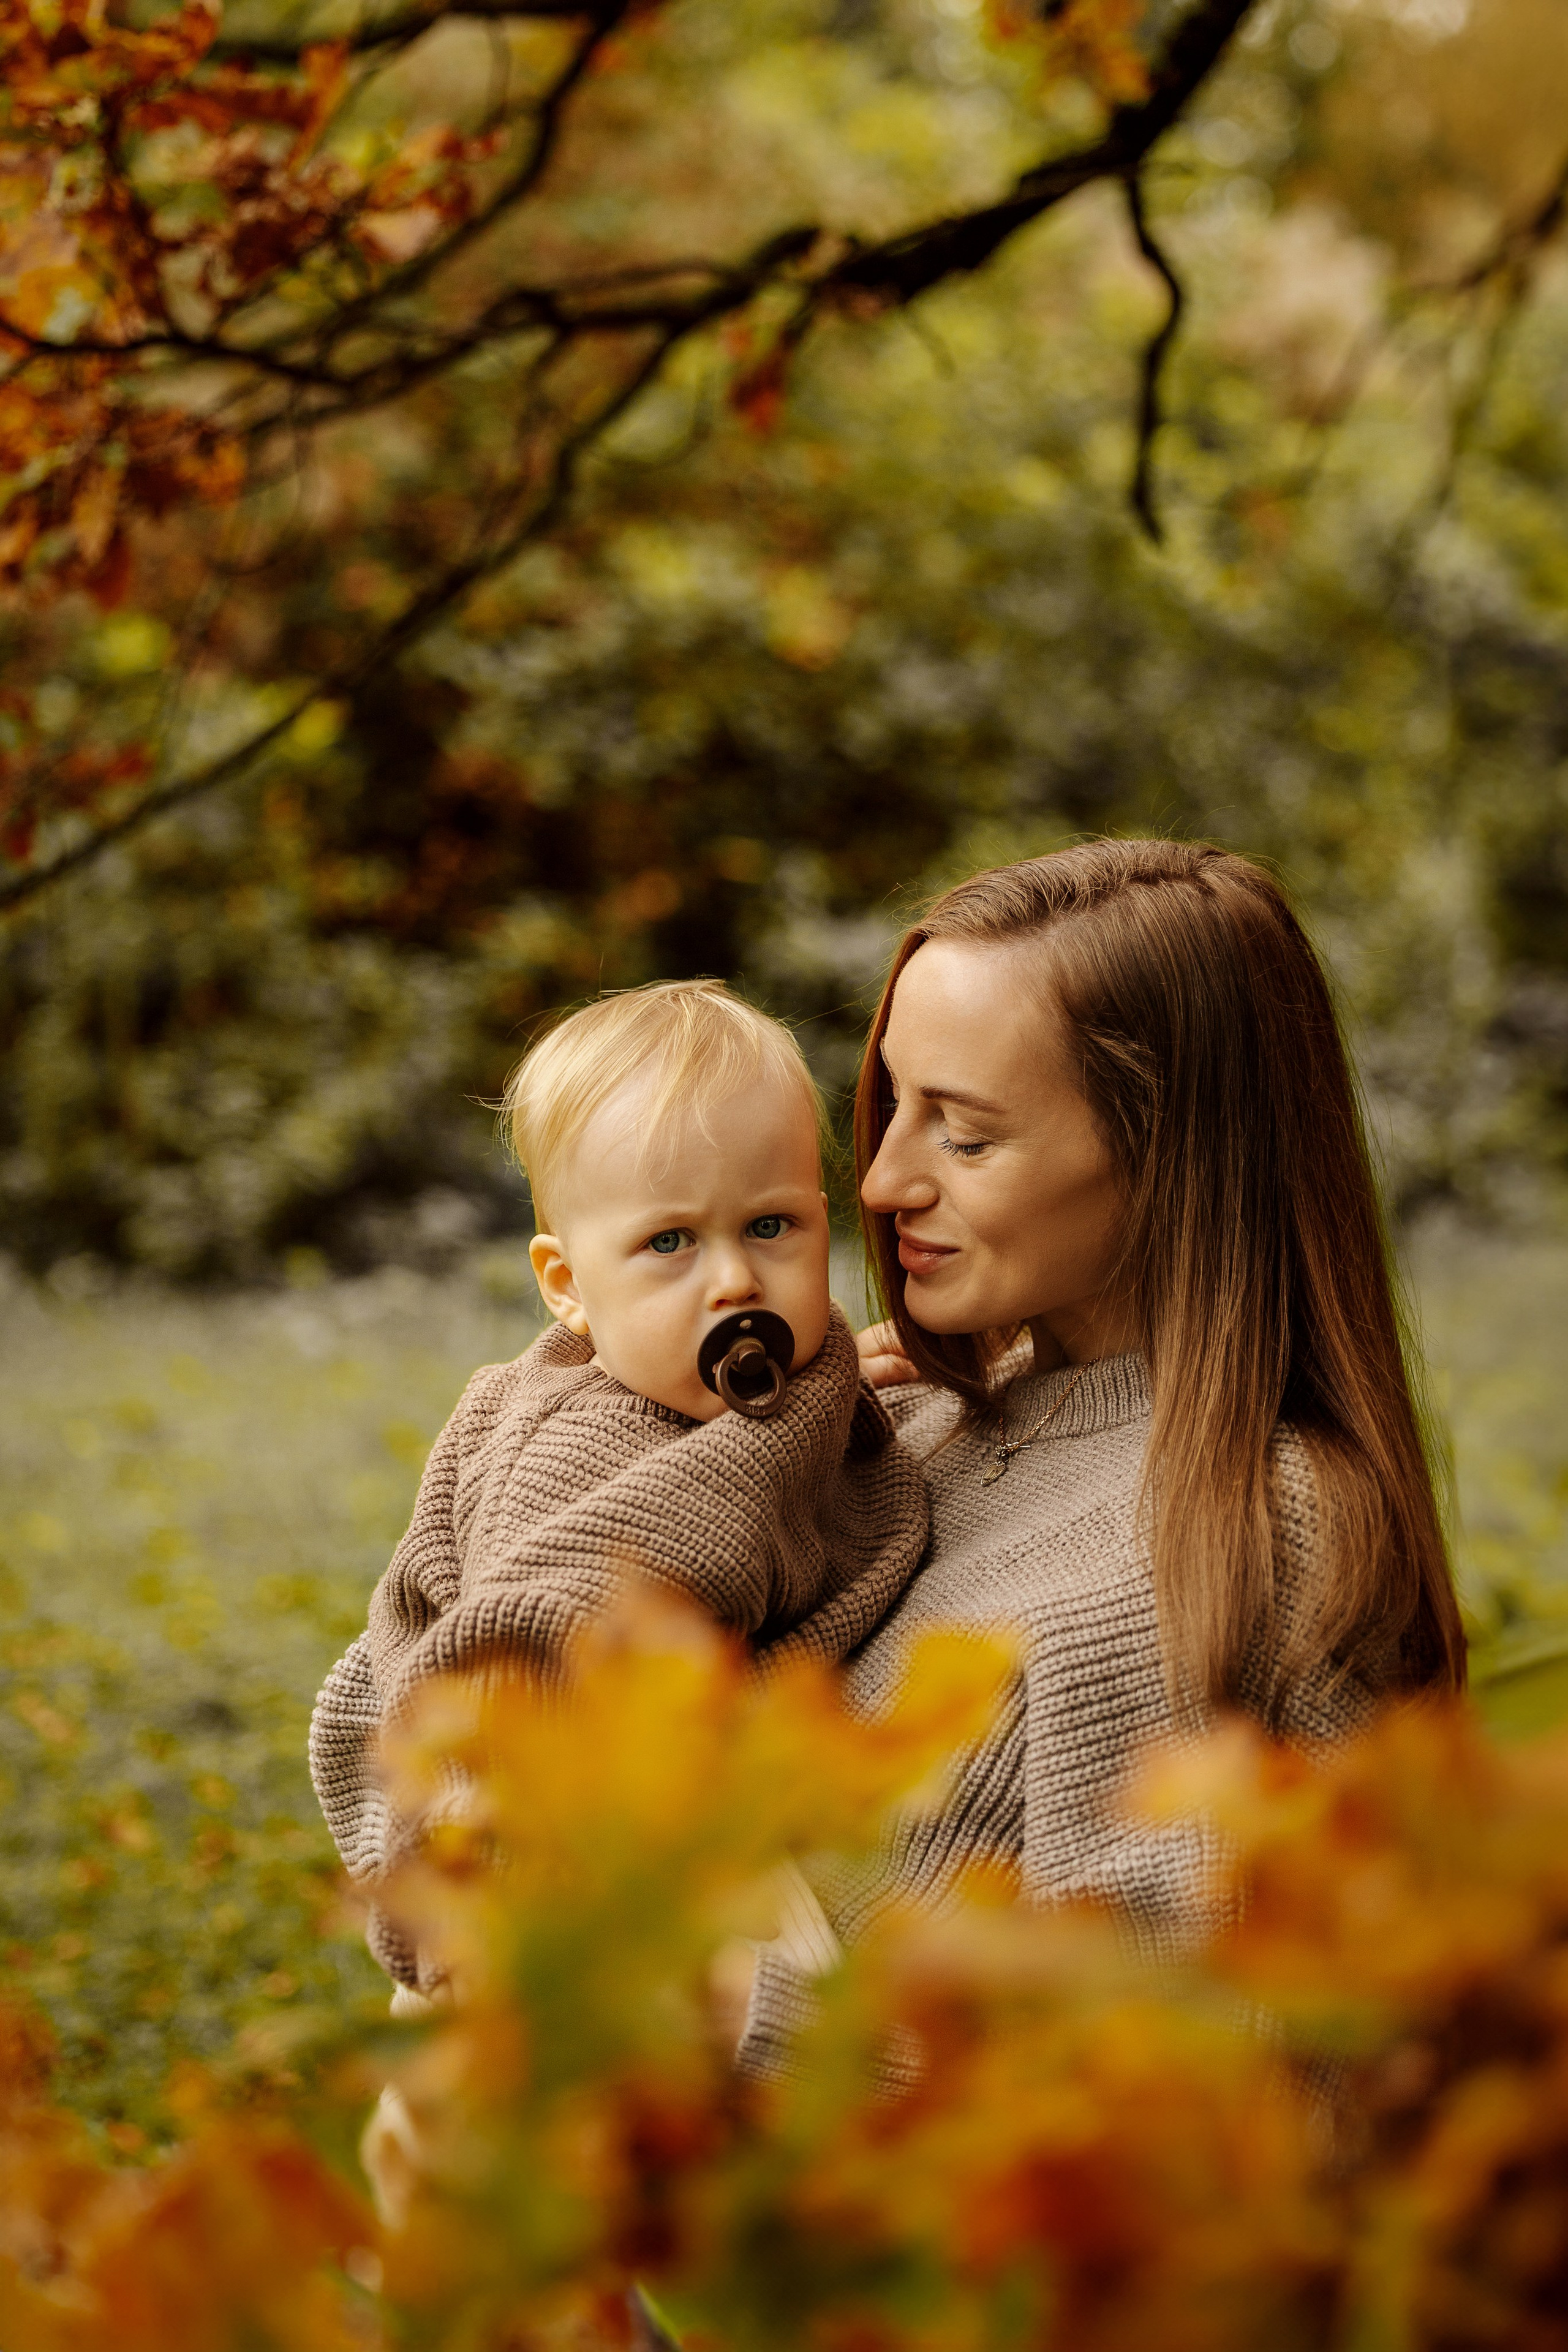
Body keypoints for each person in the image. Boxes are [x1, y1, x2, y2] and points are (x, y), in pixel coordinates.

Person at [741, 838, 1465, 2071]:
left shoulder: (1261, 1539)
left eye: (963, 1138)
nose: (877, 1178)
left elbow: (1189, 2116)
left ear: (1166, 1154)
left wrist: (731, 2011)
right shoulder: (911, 1423)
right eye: (891, 1103)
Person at [309, 978, 927, 1995]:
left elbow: (771, 1437)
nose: (734, 1281)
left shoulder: (752, 1392)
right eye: (670, 1243)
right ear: (566, 1286)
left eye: (771, 1228)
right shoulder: (589, 1458)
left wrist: (845, 1376)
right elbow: (509, 1671)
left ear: (824, 1221)